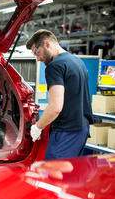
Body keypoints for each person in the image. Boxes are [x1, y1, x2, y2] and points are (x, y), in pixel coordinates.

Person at [26, 29, 93, 160]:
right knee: (71, 174)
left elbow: (55, 107)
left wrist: (38, 127)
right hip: (82, 129)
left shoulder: (54, 66)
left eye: (37, 52)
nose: (38, 58)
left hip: (65, 132)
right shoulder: (77, 61)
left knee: (54, 176)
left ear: (47, 44)